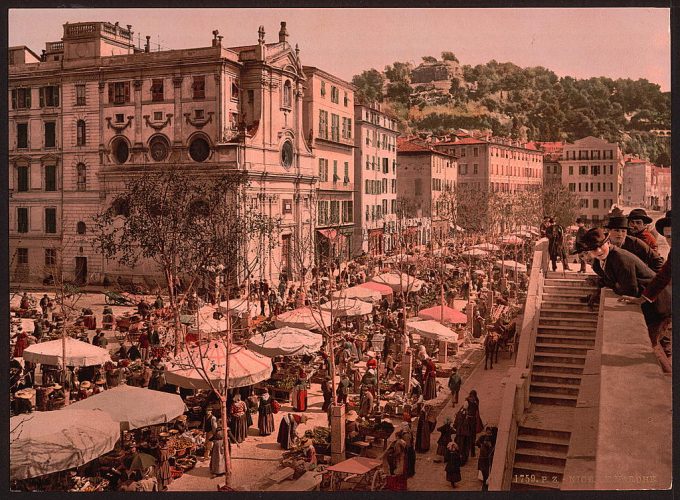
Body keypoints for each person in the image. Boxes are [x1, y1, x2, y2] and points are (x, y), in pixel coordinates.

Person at [582, 227, 671, 347]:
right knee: (656, 347)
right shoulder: (602, 260)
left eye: (601, 246)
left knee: (651, 347)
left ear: (608, 242)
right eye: (593, 249)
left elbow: (630, 290)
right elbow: (610, 281)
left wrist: (614, 285)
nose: (598, 251)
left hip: (658, 307)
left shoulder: (620, 258)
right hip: (650, 306)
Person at [605, 208, 664, 272]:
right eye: (632, 222)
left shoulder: (645, 237)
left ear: (644, 225)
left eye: (638, 223)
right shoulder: (634, 234)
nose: (634, 225)